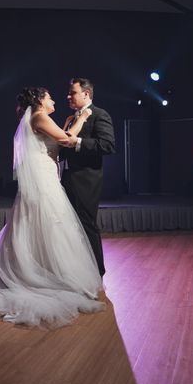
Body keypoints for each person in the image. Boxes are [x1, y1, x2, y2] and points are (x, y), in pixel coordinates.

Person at [0, 87, 104, 327]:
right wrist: (82, 118)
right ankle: (44, 274)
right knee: (49, 224)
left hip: (47, 176)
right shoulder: (40, 116)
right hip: (43, 180)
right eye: (50, 96)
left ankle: (43, 267)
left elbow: (59, 138)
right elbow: (64, 140)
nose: (54, 99)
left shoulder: (38, 118)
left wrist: (68, 126)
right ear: (41, 100)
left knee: (43, 225)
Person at [58, 78, 116, 277]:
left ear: (86, 94)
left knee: (86, 224)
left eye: (72, 92)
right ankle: (76, 270)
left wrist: (78, 142)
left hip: (86, 181)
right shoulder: (72, 117)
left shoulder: (100, 115)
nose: (68, 96)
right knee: (70, 227)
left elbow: (108, 145)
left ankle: (96, 272)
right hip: (67, 178)